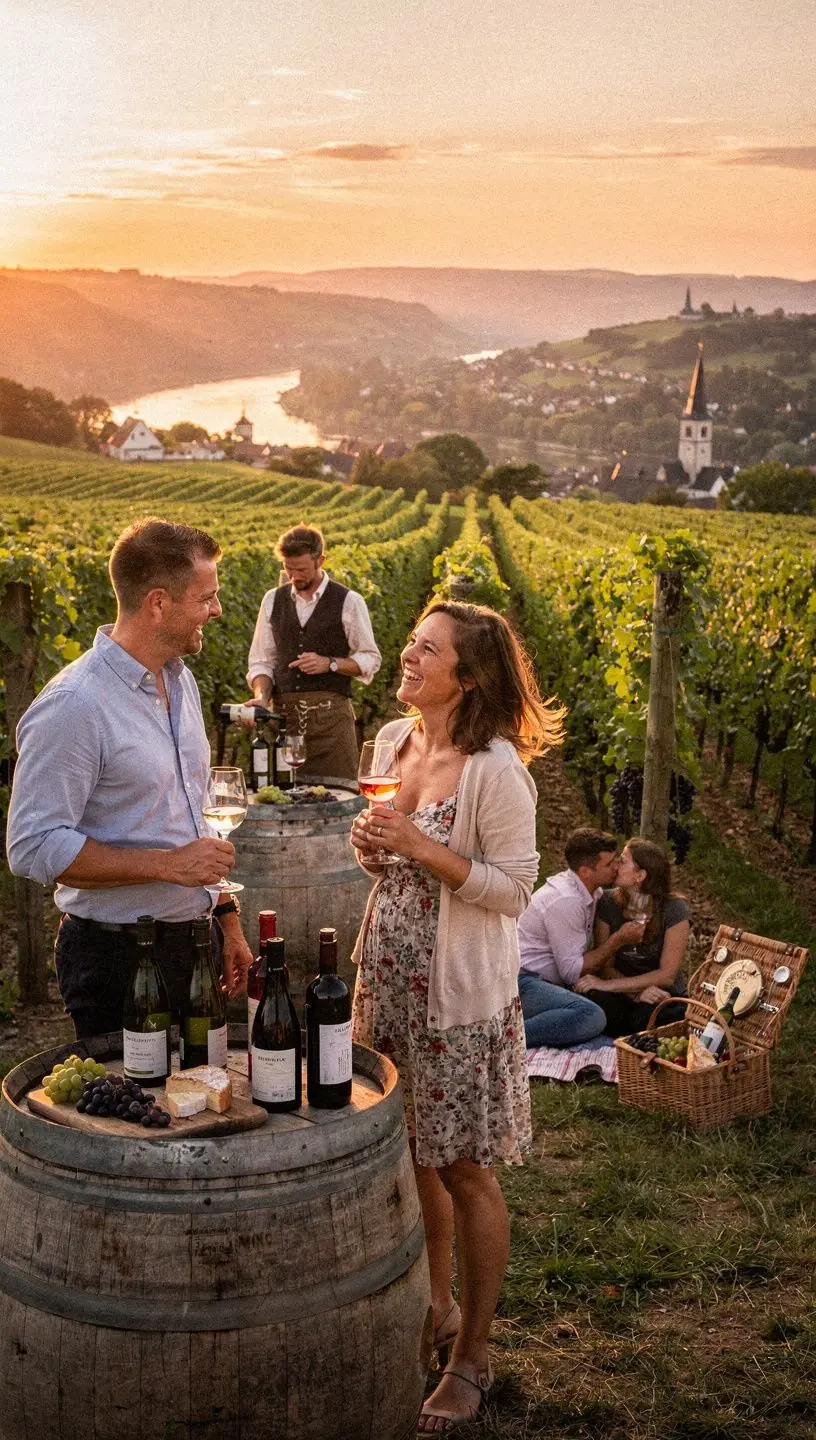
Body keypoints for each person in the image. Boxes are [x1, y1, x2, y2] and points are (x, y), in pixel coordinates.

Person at [349, 600, 565, 1434]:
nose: (407, 656)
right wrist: (373, 849)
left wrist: (420, 848)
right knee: (413, 1153)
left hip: (458, 999)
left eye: (426, 649)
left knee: (466, 1168)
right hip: (387, 981)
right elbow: (384, 859)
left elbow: (513, 890)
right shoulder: (390, 743)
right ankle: (437, 1306)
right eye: (412, 641)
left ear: (467, 677)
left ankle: (472, 1358)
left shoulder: (496, 768)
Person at [7, 517, 254, 1037]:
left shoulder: (180, 682)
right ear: (158, 603)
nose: (217, 609)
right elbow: (33, 846)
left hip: (195, 942)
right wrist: (166, 866)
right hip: (117, 959)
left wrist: (226, 920)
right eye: (206, 597)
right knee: (134, 1093)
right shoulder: (74, 705)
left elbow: (191, 818)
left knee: (203, 1084)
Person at [245, 524, 381, 780]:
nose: (294, 576)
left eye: (302, 570)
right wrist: (261, 698)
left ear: (321, 560)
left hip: (332, 725)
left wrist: (330, 663)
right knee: (281, 796)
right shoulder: (272, 600)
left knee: (339, 793)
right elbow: (262, 661)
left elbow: (370, 658)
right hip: (284, 724)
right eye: (288, 568)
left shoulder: (349, 601)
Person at [516, 829, 648, 1048]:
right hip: (524, 982)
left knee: (613, 1012)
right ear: (586, 871)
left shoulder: (592, 892)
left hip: (550, 982)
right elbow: (571, 972)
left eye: (617, 860)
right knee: (591, 1016)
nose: (616, 867)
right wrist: (618, 940)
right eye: (609, 864)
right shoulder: (566, 900)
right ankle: (508, 1040)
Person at [574, 837, 690, 1037]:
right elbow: (606, 966)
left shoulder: (674, 909)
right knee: (592, 999)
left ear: (640, 875)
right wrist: (635, 994)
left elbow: (667, 975)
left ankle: (630, 1037)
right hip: (623, 991)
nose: (616, 865)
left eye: (623, 861)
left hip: (660, 992)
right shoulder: (608, 902)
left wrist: (608, 985)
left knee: (651, 1016)